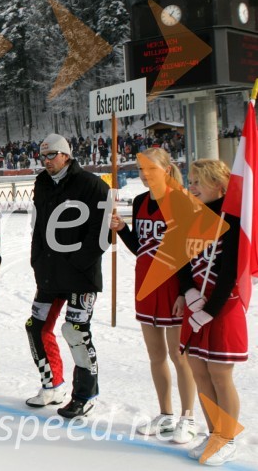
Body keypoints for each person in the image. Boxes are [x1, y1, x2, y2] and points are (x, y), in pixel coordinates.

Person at [109, 148, 196, 442]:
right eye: (142, 170)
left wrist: (185, 293)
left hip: (174, 288)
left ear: (166, 170)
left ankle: (188, 417)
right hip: (146, 285)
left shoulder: (182, 200)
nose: (146, 176)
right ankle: (166, 413)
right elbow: (141, 247)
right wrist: (122, 229)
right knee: (155, 355)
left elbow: (189, 256)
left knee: (178, 355)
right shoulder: (140, 201)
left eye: (151, 170)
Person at [24, 133, 109, 418]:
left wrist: (77, 263)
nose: (47, 162)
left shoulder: (92, 184)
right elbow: (38, 227)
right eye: (43, 156)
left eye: (52, 156)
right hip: (48, 272)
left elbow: (102, 233)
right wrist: (37, 261)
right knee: (36, 326)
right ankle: (53, 384)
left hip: (80, 275)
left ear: (66, 155)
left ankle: (85, 394)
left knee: (75, 332)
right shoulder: (41, 183)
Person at [179, 159, 245, 466]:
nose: (191, 187)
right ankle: (213, 432)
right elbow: (181, 258)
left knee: (220, 373)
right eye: (191, 181)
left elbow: (231, 270)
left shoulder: (231, 220)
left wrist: (211, 309)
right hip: (196, 304)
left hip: (222, 306)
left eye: (197, 182)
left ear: (219, 186)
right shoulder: (193, 216)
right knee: (198, 369)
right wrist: (188, 293)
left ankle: (227, 437)